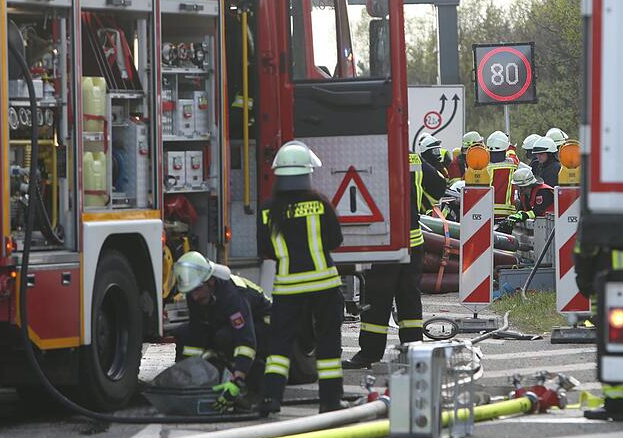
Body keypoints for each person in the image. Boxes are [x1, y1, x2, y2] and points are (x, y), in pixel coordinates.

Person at [257, 140, 346, 414]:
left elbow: (265, 250)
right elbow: (336, 240)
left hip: (287, 288)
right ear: (307, 173)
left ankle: (271, 398)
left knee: (279, 346)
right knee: (328, 344)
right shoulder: (321, 204)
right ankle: (330, 402)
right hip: (325, 286)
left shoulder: (267, 210)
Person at [344, 149, 445, 368]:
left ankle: (369, 353)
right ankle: (413, 351)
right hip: (413, 242)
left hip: (384, 242)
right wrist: (420, 207)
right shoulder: (414, 157)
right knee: (409, 299)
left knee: (376, 299)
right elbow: (439, 184)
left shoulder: (371, 154)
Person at [172, 251, 275, 412]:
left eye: (198, 290)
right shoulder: (196, 296)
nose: (195, 297)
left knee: (225, 338)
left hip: (267, 328)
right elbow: (197, 333)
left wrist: (236, 382)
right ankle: (222, 376)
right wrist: (191, 375)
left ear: (211, 281)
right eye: (190, 292)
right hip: (235, 327)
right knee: (182, 333)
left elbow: (245, 343)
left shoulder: (232, 297)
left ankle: (256, 386)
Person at [573, 244, 623, 420]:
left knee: (612, 344)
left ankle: (617, 402)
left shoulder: (603, 217)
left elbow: (585, 248)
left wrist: (585, 282)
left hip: (609, 284)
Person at [497, 166, 554, 233]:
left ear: (523, 186)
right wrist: (511, 219)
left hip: (551, 227)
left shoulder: (543, 192)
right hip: (541, 228)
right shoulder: (524, 194)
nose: (515, 187)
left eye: (517, 185)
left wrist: (522, 216)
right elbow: (522, 210)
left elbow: (537, 211)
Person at [486, 130, 518, 219]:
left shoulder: (483, 166)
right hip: (507, 213)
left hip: (487, 211)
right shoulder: (512, 164)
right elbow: (513, 156)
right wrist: (510, 147)